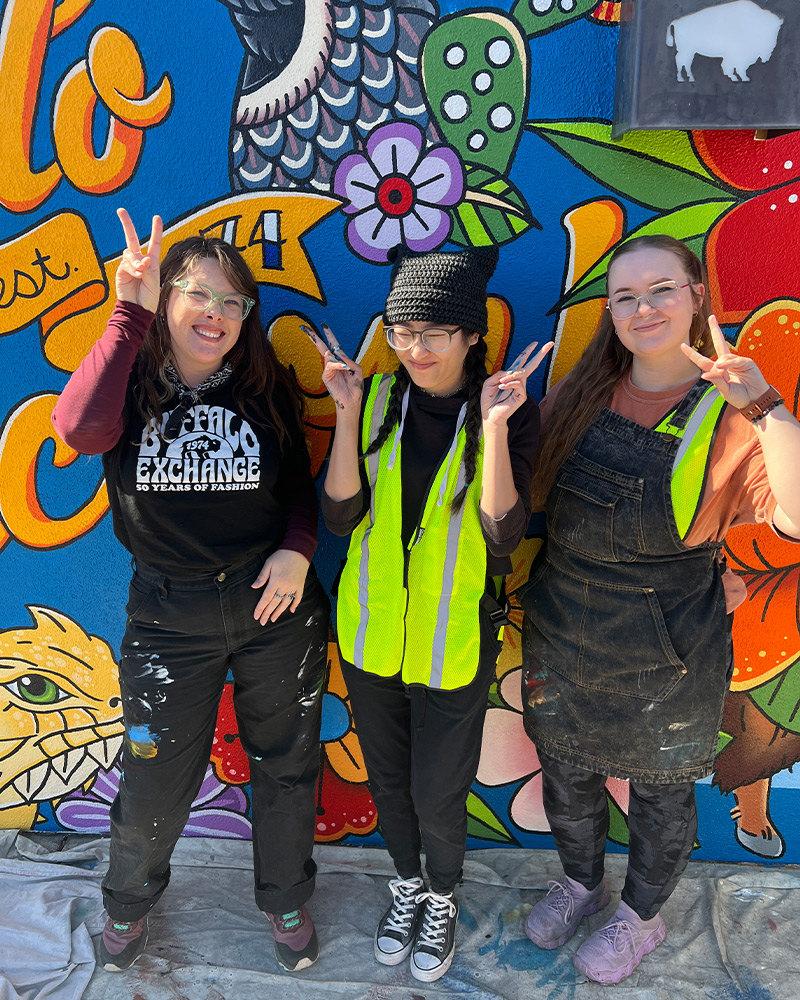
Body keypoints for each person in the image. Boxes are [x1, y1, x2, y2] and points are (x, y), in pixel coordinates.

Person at [52, 209, 330, 974]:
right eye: (200, 295)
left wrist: (298, 552)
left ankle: (285, 898)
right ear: (168, 300)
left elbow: (299, 491)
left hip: (274, 609)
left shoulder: (265, 386)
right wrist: (127, 311)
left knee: (287, 764)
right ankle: (128, 906)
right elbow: (76, 430)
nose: (217, 314)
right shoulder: (129, 381)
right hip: (169, 616)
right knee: (154, 775)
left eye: (234, 302)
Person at [520, 234, 800, 985]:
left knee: (660, 794)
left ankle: (640, 918)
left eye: (662, 290)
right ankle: (582, 885)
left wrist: (765, 405)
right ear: (609, 312)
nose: (643, 308)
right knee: (567, 779)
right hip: (565, 628)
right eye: (625, 296)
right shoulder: (578, 398)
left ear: (697, 296)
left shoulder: (732, 417)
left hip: (672, 649)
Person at [308, 247, 552, 982]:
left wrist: (499, 431)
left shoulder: (508, 411)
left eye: (435, 333)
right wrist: (346, 413)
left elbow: (504, 531)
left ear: (471, 337)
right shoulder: (378, 397)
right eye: (403, 330)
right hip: (370, 627)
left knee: (438, 789)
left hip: (453, 637)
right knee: (389, 780)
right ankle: (407, 886)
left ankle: (441, 897)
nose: (415, 348)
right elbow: (341, 514)